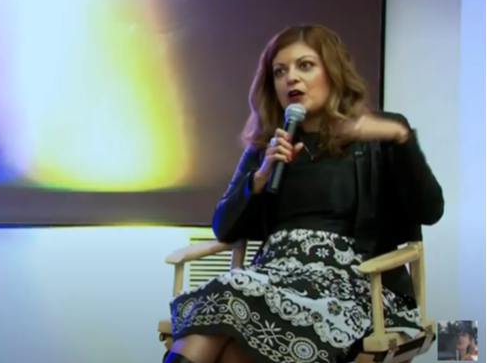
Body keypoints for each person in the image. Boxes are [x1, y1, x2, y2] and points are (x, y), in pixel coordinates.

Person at [165, 24, 444, 363]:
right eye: (279, 71)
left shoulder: (377, 133)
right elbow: (224, 228)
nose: (291, 78)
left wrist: (401, 138)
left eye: (305, 66)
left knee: (229, 311)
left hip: (352, 285)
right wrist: (259, 178)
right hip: (269, 280)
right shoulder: (267, 146)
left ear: (333, 72)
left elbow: (430, 210)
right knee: (228, 319)